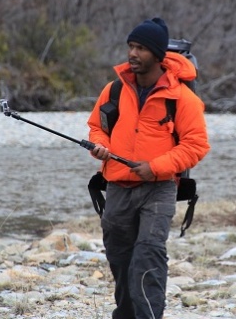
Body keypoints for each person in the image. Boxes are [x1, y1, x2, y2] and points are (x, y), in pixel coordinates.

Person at [87, 17, 210, 319]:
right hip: (116, 187)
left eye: (141, 48)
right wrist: (100, 146)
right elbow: (96, 127)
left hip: (159, 189)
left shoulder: (183, 99)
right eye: (131, 46)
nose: (133, 53)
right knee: (119, 257)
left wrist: (155, 167)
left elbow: (196, 145)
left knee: (148, 254)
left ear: (157, 55)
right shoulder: (113, 90)